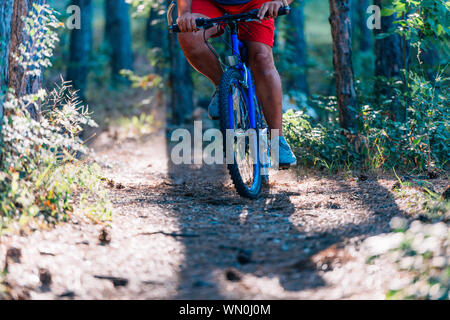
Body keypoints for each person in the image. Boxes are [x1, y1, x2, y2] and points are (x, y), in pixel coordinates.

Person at [176, 0, 297, 167]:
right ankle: (224, 88)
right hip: (212, 3)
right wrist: (185, 14)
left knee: (261, 58)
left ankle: (278, 140)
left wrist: (280, 1)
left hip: (256, 3)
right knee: (189, 36)